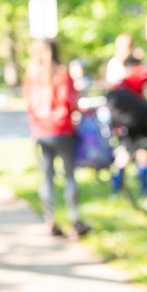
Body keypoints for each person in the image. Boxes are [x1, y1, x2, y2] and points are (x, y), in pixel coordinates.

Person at [23, 40, 90, 239]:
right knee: (69, 175)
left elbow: (28, 102)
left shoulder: (32, 73)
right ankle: (74, 220)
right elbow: (71, 101)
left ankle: (49, 221)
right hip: (62, 128)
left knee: (47, 177)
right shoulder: (62, 72)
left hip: (41, 131)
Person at [107, 56, 147, 196]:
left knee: (125, 152)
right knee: (141, 151)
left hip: (124, 125)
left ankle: (117, 188)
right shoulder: (133, 81)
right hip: (138, 123)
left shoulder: (119, 84)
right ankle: (143, 188)